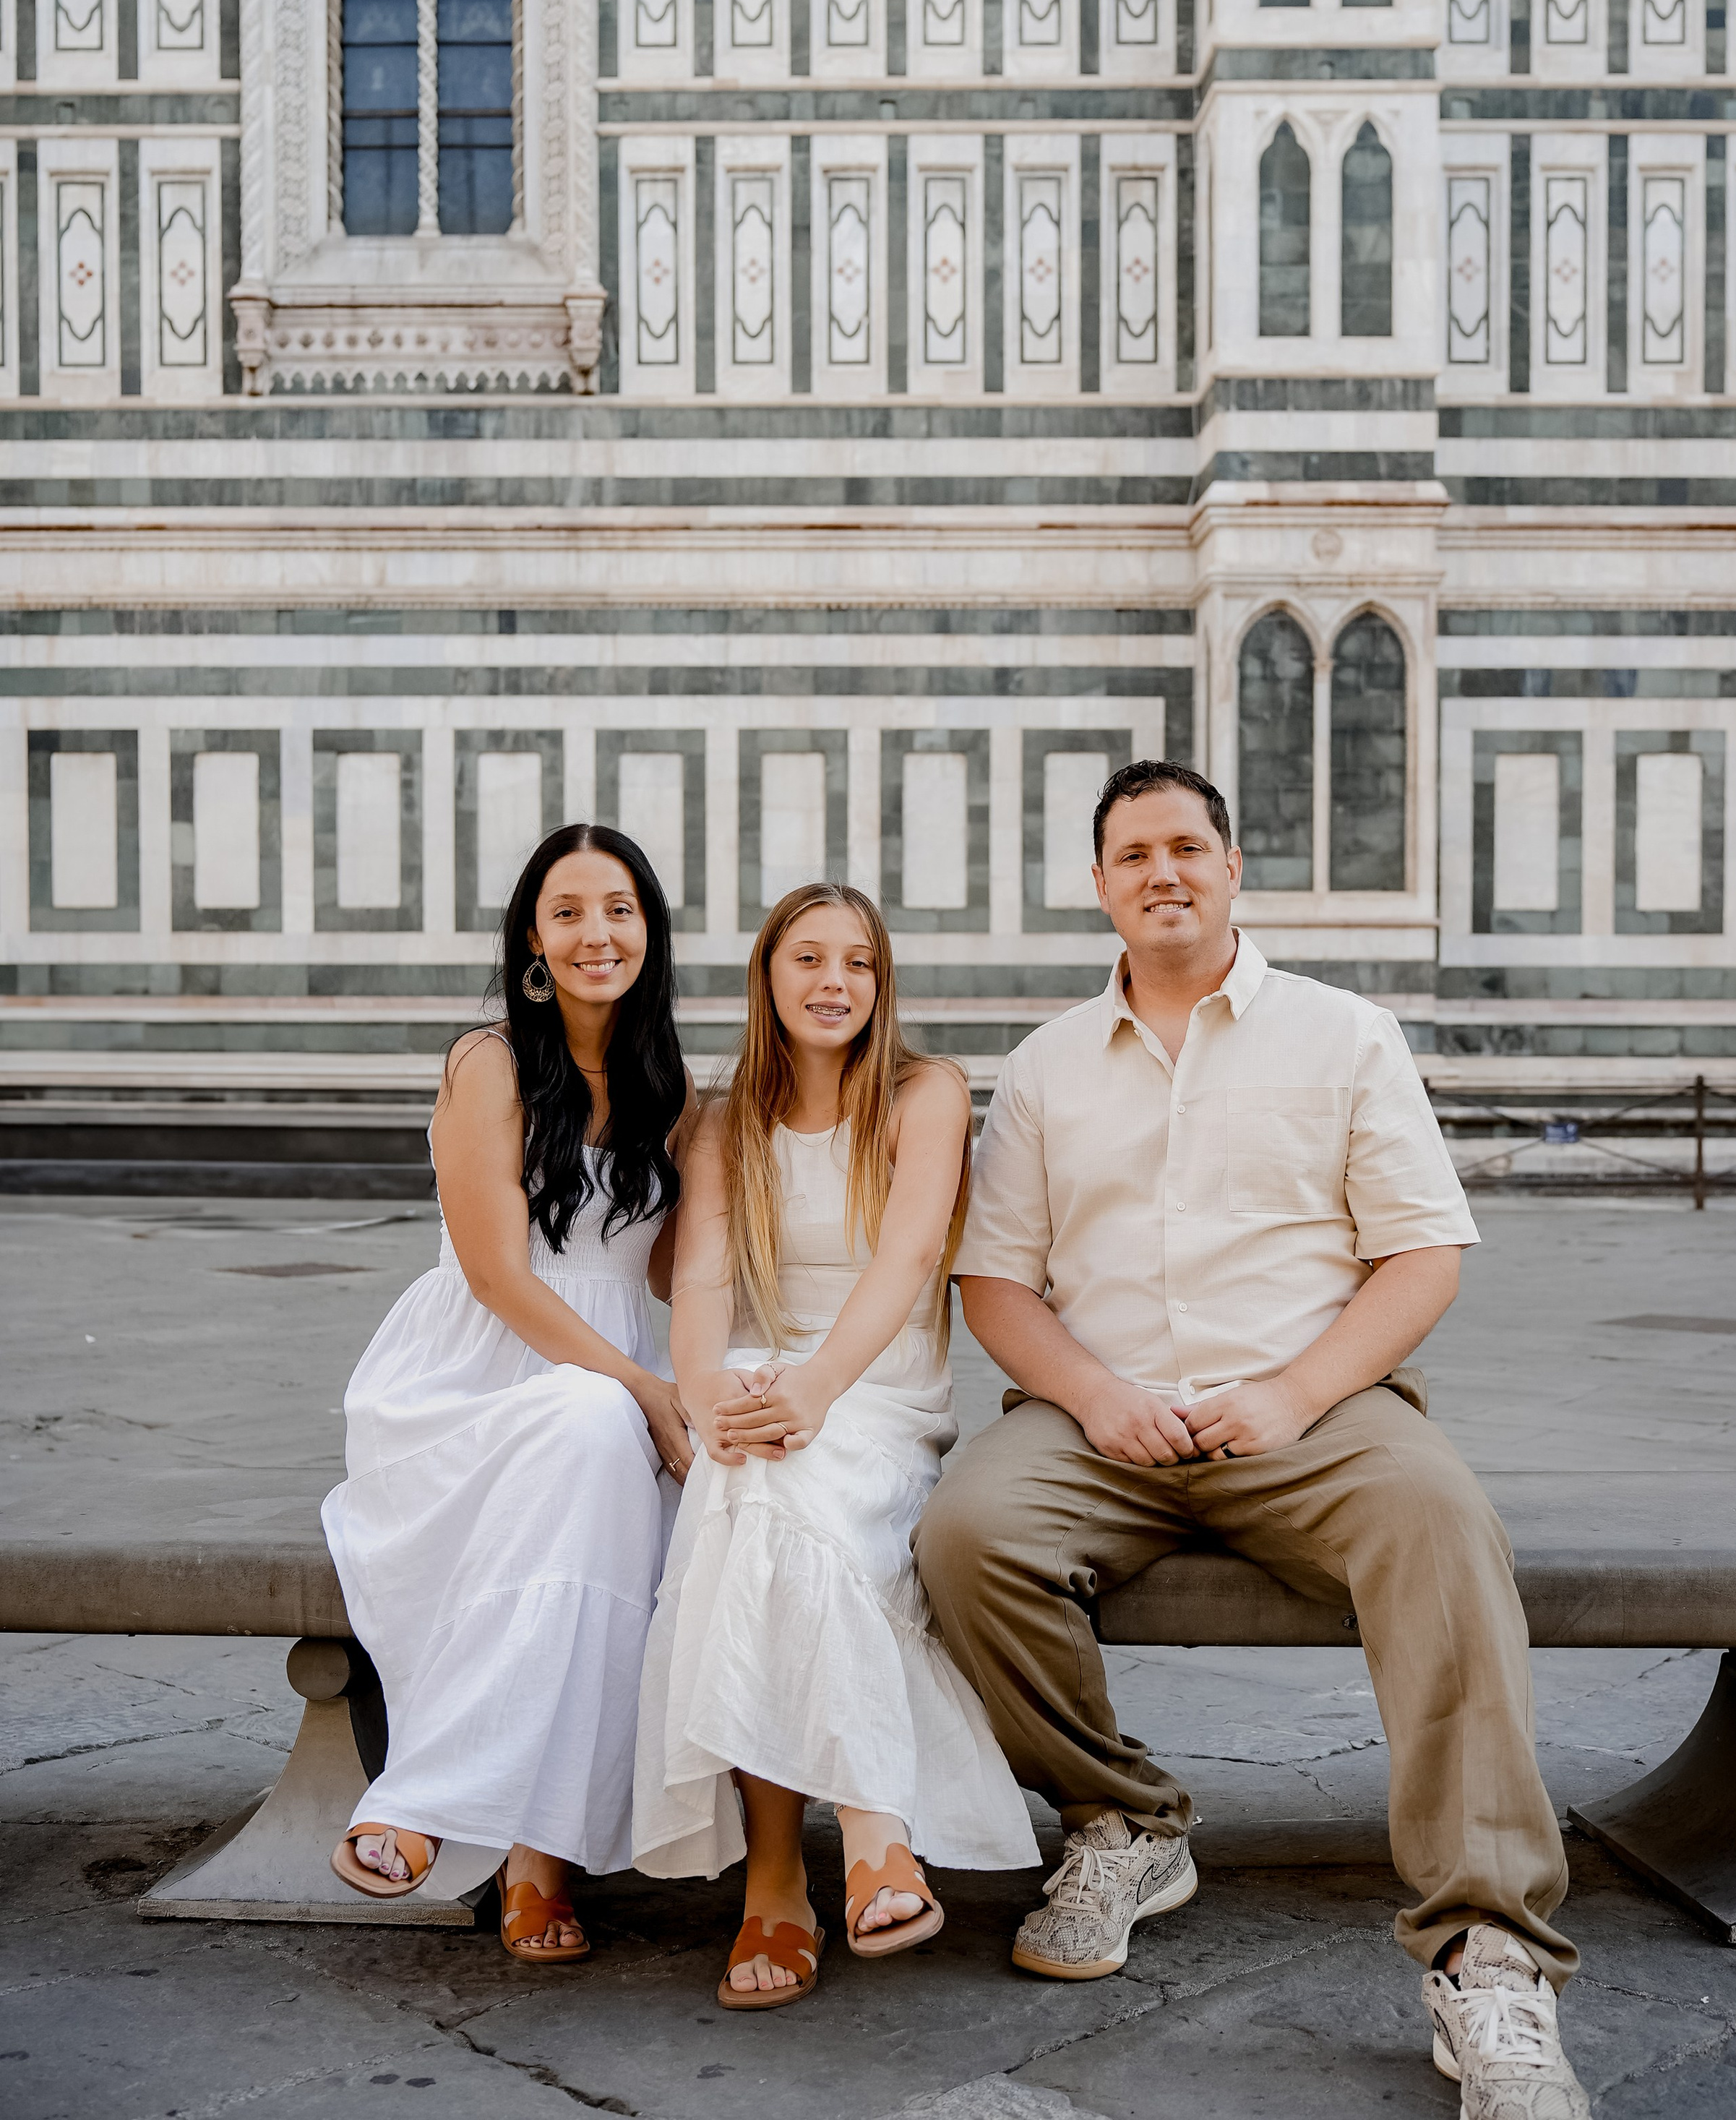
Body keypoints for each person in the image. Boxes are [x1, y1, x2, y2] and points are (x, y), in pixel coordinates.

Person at [915, 760, 1591, 2120]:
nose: (1161, 872)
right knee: (965, 1536)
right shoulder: (1046, 1065)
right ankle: (1122, 1820)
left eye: (1186, 847)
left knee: (1444, 1528)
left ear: (1233, 868)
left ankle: (1487, 1944)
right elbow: (994, 1282)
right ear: (1099, 886)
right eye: (1132, 855)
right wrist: (1096, 1397)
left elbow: (1421, 1255)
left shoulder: (1346, 1035)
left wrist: (1293, 1393)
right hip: (1100, 1422)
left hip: (1315, 1413)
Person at [632, 881, 1037, 2010]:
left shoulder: (925, 1093)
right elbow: (702, 1279)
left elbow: (906, 1262)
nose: (833, 982)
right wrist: (707, 1395)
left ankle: (782, 1880)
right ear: (768, 975)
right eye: (808, 958)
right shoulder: (726, 1121)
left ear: (881, 982)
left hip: (876, 1387)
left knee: (774, 1482)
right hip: (760, 1374)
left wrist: (814, 1387)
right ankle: (870, 1835)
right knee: (751, 1485)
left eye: (858, 962)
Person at [322, 823, 697, 1962]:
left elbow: (675, 1275)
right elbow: (494, 1275)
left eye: (619, 909)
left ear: (650, 930)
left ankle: (535, 1849)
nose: (596, 934)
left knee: (625, 1498)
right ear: (533, 937)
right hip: (476, 1377)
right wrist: (643, 1391)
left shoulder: (669, 1085)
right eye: (568, 912)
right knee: (589, 1428)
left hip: (609, 1385)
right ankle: (441, 1802)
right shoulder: (487, 1062)